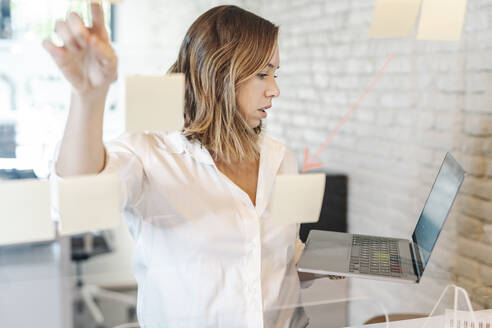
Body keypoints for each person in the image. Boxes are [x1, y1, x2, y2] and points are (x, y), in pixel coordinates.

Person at [44, 3, 311, 327]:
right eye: (262, 73)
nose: (275, 89)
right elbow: (78, 202)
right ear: (220, 72)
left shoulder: (282, 159)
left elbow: (280, 255)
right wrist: (89, 97)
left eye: (275, 73)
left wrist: (326, 265)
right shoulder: (151, 154)